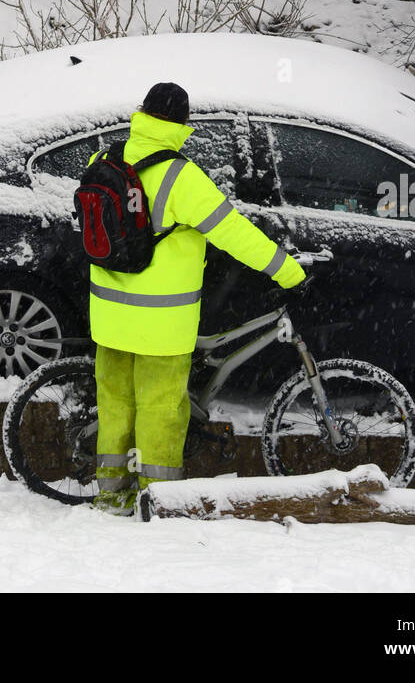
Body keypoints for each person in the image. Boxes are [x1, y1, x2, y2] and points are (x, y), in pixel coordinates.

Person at [91, 81, 306, 515]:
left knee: (114, 406)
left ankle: (111, 493)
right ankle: (160, 501)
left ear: (142, 112)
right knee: (160, 412)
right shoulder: (180, 177)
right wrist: (288, 271)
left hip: (109, 315)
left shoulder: (105, 158)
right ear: (183, 123)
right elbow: (235, 233)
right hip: (161, 326)